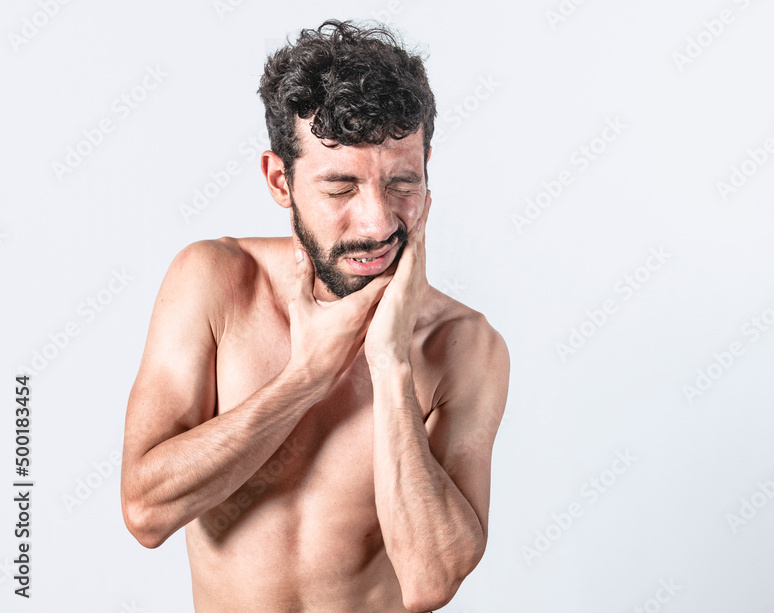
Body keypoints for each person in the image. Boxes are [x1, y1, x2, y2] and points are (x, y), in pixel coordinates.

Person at [120, 19, 509, 613]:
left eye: (403, 183)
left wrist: (391, 364)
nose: (378, 224)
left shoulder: (463, 345)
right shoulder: (216, 284)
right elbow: (146, 512)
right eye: (340, 189)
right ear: (281, 180)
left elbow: (432, 580)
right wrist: (306, 377)